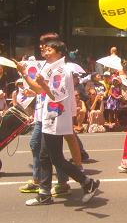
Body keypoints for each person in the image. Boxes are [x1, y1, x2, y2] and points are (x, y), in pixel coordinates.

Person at [16, 40, 99, 206]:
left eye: (49, 48)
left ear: (59, 52)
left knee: (56, 158)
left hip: (56, 119)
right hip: (50, 117)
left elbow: (57, 96)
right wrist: (24, 74)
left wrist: (42, 84)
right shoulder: (51, 68)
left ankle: (87, 182)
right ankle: (44, 194)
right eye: (45, 48)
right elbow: (40, 90)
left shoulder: (61, 70)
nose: (45, 51)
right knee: (45, 156)